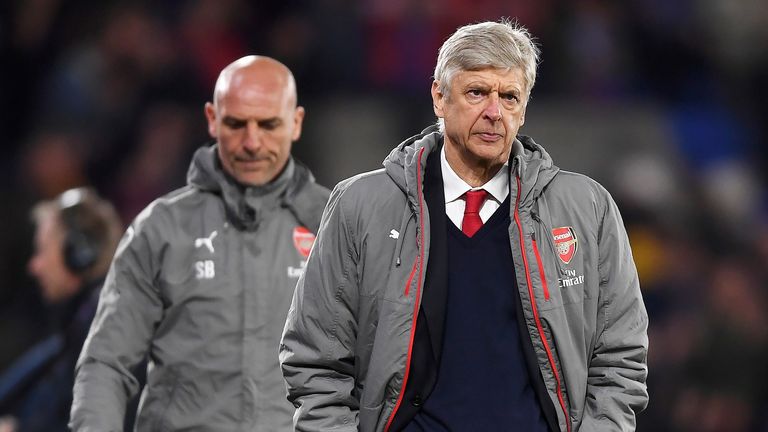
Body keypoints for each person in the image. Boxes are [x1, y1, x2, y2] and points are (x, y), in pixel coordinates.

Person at [280, 20, 649, 431]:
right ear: (439, 97)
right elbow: (315, 357)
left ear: (523, 110)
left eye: (509, 96)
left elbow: (620, 358)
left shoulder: (587, 208)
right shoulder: (360, 206)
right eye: (477, 92)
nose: (494, 112)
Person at [70, 56, 330, 431]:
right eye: (236, 124)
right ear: (212, 118)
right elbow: (107, 363)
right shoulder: (161, 229)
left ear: (296, 122)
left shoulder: (336, 226)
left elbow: (377, 365)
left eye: (268, 124)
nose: (252, 142)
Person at [0, 187, 122, 432]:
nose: (34, 266)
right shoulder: (80, 328)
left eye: (42, 250)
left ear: (78, 255)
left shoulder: (103, 332)